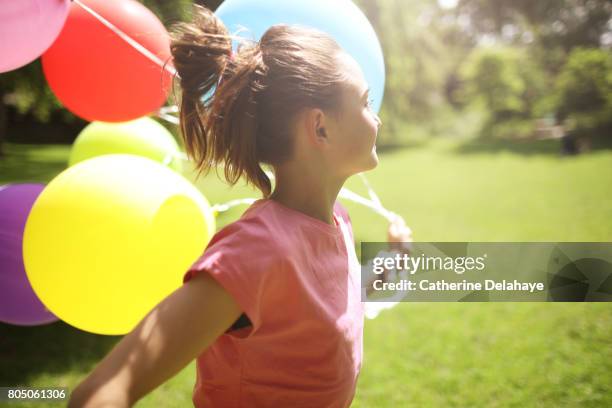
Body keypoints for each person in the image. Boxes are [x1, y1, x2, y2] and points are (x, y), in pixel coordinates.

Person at [68, 5, 412, 407]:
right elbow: (102, 393)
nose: (378, 119)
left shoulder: (337, 221)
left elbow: (320, 305)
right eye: (366, 102)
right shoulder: (255, 251)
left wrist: (391, 263)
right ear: (320, 127)